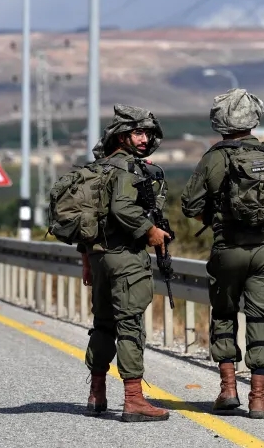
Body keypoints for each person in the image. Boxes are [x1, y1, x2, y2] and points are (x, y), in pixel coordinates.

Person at [181, 88, 264, 419]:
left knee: (224, 313)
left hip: (228, 249)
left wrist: (215, 216)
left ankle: (228, 390)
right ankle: (258, 398)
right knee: (260, 318)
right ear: (254, 119)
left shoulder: (213, 158)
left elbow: (189, 205)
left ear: (219, 121)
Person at [78, 104, 171, 422]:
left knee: (103, 324)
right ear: (122, 136)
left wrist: (87, 260)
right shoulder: (129, 169)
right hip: (125, 257)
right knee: (130, 326)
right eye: (138, 133)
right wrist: (151, 231)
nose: (145, 139)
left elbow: (87, 217)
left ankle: (97, 393)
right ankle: (133, 399)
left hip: (98, 257)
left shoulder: (98, 168)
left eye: (147, 133)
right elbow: (122, 209)